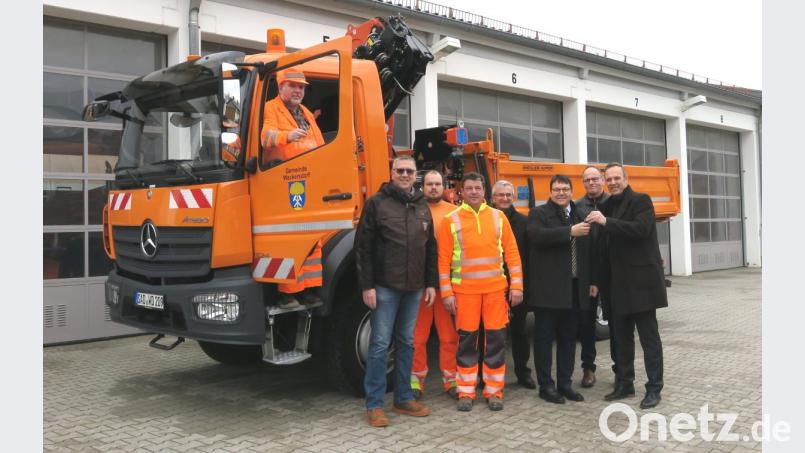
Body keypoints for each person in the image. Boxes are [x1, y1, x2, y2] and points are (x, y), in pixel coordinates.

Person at [355, 156, 437, 427]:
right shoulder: (377, 204)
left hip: (414, 289)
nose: (404, 174)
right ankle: (375, 405)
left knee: (407, 343)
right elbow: (363, 248)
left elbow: (430, 249)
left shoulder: (421, 205)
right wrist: (367, 286)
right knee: (379, 345)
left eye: (409, 171)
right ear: (391, 173)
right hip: (385, 287)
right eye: (399, 170)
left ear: (416, 175)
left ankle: (402, 398)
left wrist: (431, 283)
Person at [437, 172, 523, 412]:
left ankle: (494, 391)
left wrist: (517, 286)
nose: (474, 192)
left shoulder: (499, 218)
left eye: (478, 188)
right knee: (467, 343)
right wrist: (447, 293)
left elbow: (513, 255)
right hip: (464, 294)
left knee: (495, 342)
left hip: (496, 291)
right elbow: (443, 261)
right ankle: (466, 391)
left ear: (484, 191)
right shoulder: (450, 220)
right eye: (469, 188)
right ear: (461, 192)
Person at [585, 163, 667, 409]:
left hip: (641, 285)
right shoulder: (606, 206)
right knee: (620, 339)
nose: (612, 182)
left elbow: (640, 230)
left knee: (649, 339)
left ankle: (654, 388)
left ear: (625, 178)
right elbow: (601, 249)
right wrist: (597, 281)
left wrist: (606, 221)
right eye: (608, 179)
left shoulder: (641, 201)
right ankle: (625, 384)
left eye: (616, 178)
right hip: (615, 287)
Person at [261, 66, 326, 309]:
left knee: (311, 238)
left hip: (308, 181)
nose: (299, 90)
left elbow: (319, 143)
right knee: (289, 240)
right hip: (284, 181)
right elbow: (264, 137)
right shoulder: (270, 108)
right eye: (294, 86)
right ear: (281, 87)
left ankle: (306, 290)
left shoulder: (306, 112)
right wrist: (286, 137)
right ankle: (287, 292)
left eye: (302, 87)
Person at [527, 175, 593, 404]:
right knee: (544, 339)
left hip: (574, 288)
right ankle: (546, 386)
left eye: (565, 189)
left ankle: (565, 384)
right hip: (548, 290)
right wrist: (569, 232)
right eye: (557, 189)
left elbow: (588, 252)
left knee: (568, 338)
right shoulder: (539, 214)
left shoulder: (580, 213)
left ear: (572, 190)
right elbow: (536, 236)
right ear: (550, 191)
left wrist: (591, 282)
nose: (561, 193)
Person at [411, 170, 459, 401]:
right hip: (421, 285)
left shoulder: (454, 212)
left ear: (444, 186)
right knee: (417, 337)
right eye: (429, 184)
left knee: (448, 336)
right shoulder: (414, 210)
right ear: (423, 186)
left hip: (445, 285)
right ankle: (415, 382)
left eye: (437, 184)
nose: (433, 188)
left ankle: (451, 381)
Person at [490, 180, 535, 390]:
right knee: (493, 333)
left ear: (513, 197)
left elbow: (528, 257)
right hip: (490, 286)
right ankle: (489, 375)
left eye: (509, 195)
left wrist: (523, 286)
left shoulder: (524, 223)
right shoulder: (485, 220)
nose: (505, 198)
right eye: (501, 195)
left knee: (519, 332)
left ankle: (523, 372)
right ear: (493, 197)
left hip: (515, 287)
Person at [574, 166, 611, 389]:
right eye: (587, 180)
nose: (591, 183)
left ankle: (621, 371)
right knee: (587, 325)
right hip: (589, 276)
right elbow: (581, 246)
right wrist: (591, 280)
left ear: (603, 180)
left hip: (613, 274)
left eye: (595, 179)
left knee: (617, 325)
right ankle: (588, 368)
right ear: (583, 183)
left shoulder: (614, 203)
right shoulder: (578, 207)